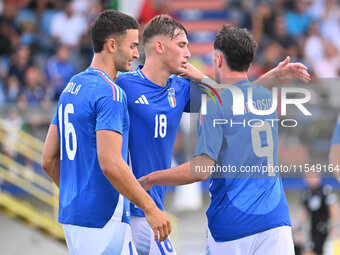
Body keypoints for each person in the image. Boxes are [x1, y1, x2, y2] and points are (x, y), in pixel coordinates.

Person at [115, 14, 310, 255]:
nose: (188, 54)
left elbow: (232, 98)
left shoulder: (182, 89)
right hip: (124, 209)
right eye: (182, 45)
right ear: (159, 46)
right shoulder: (121, 86)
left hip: (155, 207)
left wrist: (201, 78)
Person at [41, 10, 171, 255]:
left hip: (73, 215)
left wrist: (78, 195)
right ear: (112, 45)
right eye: (132, 45)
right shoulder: (110, 93)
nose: (136, 53)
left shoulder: (71, 86)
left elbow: (48, 159)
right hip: (103, 218)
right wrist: (151, 208)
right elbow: (110, 163)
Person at [295, 172, 338, 255]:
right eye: (309, 176)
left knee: (308, 252)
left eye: (313, 176)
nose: (311, 179)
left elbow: (333, 208)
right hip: (312, 229)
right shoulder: (306, 192)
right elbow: (303, 211)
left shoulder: (325, 190)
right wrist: (299, 228)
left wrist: (334, 227)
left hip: (324, 227)